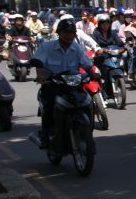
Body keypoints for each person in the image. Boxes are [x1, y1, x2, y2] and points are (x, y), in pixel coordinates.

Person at [32, 18, 99, 149]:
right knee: (49, 106)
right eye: (66, 32)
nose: (69, 35)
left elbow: (86, 64)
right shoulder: (47, 46)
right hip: (53, 85)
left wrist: (93, 73)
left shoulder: (76, 48)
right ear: (59, 33)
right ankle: (45, 135)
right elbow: (38, 62)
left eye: (71, 33)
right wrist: (41, 76)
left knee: (88, 102)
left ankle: (86, 130)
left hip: (73, 86)